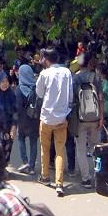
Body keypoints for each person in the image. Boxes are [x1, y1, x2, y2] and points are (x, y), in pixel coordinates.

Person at [35, 48, 72, 196]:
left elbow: (39, 93)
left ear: (46, 59)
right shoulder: (67, 72)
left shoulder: (44, 74)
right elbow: (70, 95)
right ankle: (59, 183)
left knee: (45, 148)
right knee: (60, 150)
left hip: (46, 117)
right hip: (62, 117)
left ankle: (45, 176)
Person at [72, 53, 104, 188]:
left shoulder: (75, 78)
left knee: (80, 149)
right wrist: (101, 117)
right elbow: (101, 98)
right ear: (89, 63)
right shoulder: (95, 77)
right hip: (95, 118)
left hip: (80, 119)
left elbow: (72, 100)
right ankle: (98, 175)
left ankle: (86, 178)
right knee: (95, 148)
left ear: (79, 63)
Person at [16, 58, 40, 174]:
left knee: (21, 139)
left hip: (22, 120)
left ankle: (25, 162)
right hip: (34, 119)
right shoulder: (36, 88)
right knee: (33, 142)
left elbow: (17, 107)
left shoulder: (19, 89)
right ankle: (31, 167)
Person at [0, 73, 17, 165]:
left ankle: (3, 167)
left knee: (7, 147)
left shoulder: (12, 95)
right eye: (2, 81)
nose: (5, 84)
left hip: (9, 125)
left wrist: (14, 126)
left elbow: (15, 112)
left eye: (6, 81)